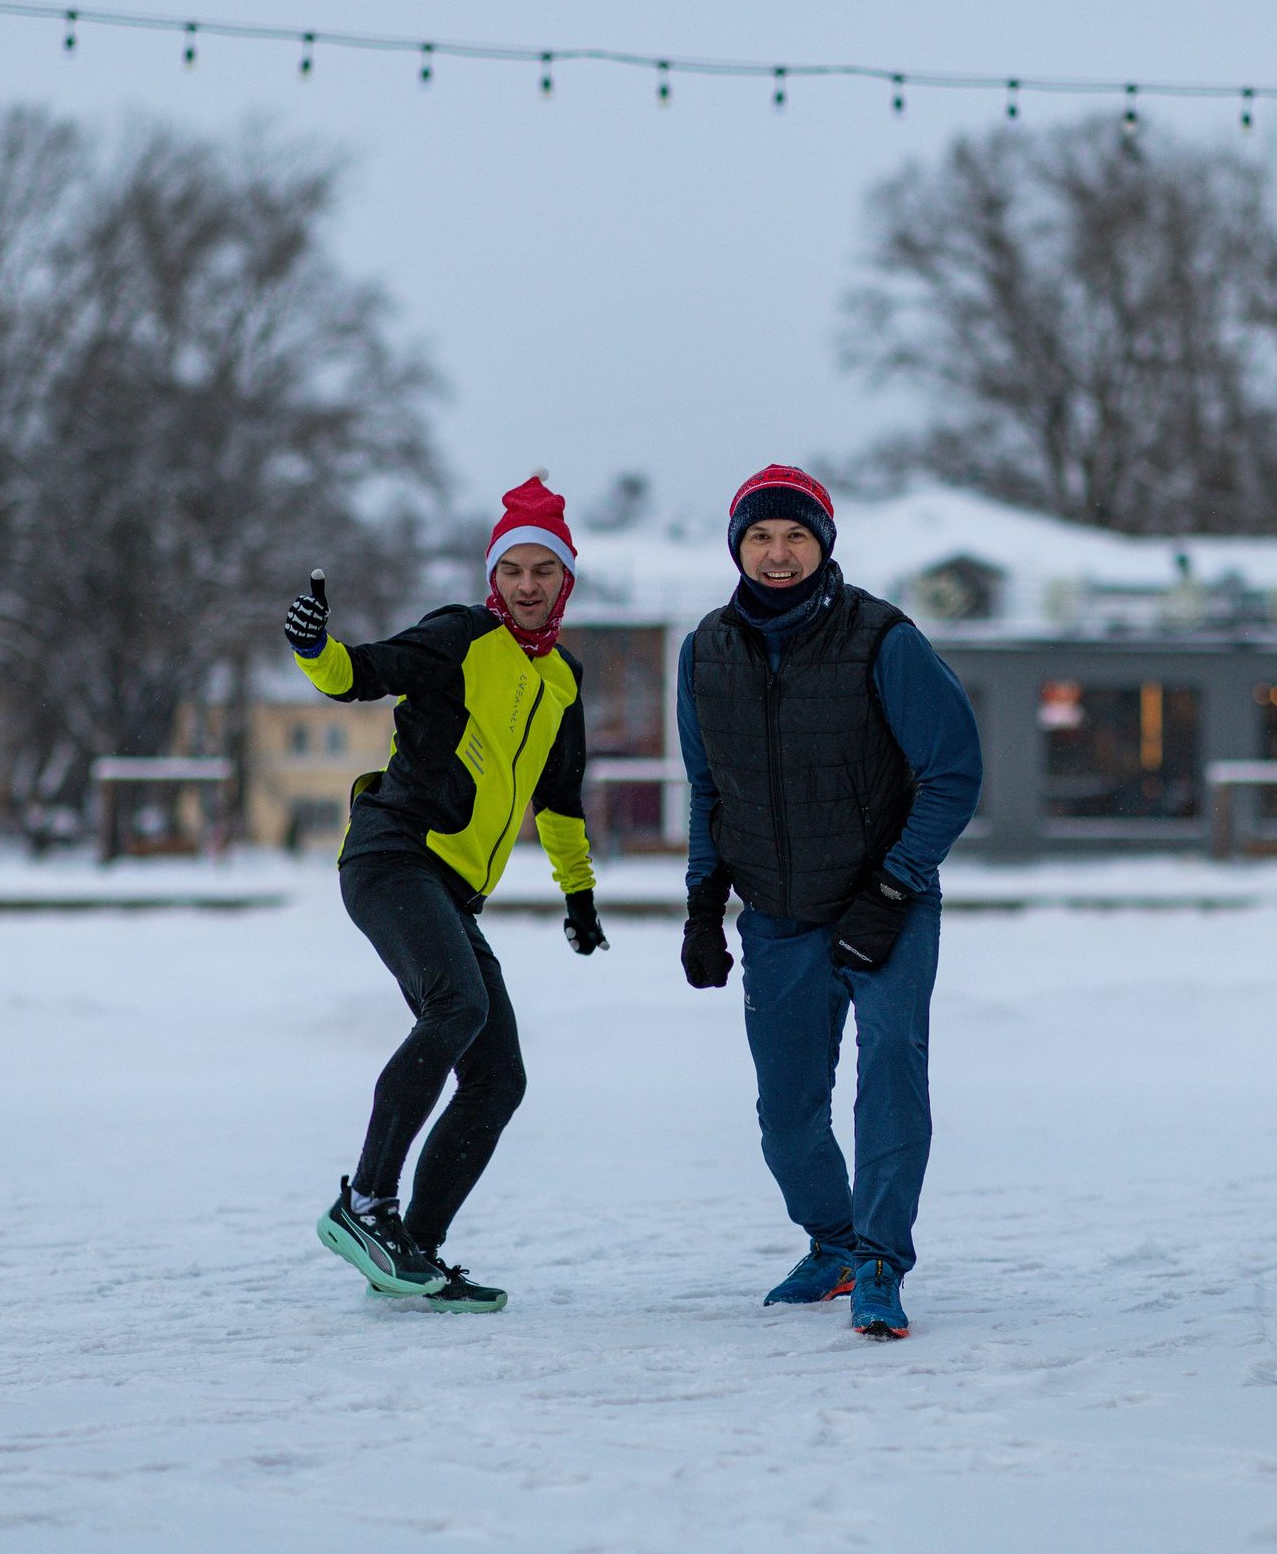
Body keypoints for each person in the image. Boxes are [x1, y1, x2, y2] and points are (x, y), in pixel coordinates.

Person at [284, 477, 609, 1313]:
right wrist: (316, 649)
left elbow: (561, 799)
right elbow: (360, 674)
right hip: (392, 856)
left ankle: (414, 1252)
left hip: (451, 887)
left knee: (499, 1077)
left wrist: (579, 898)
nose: (527, 585)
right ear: (492, 578)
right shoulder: (459, 637)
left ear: (565, 580)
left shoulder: (564, 680)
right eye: (512, 570)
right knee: (456, 1006)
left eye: (544, 570)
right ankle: (365, 1206)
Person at [676, 466, 982, 1341]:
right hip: (776, 909)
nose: (778, 555)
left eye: (796, 537)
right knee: (787, 1112)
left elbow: (953, 771)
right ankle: (834, 1243)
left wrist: (894, 886)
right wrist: (705, 904)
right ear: (737, 546)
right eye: (761, 537)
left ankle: (883, 1258)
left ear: (825, 545)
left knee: (889, 1070)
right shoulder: (706, 651)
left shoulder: (884, 639)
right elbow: (708, 788)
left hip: (884, 900)